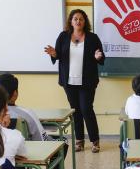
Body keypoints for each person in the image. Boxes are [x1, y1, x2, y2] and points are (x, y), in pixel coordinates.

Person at [44, 9, 105, 153]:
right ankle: (79, 141)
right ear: (71, 21)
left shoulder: (92, 37)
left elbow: (101, 56)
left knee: (86, 109)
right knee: (75, 111)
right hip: (69, 81)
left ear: (85, 22)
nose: (78, 21)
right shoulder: (63, 36)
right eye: (75, 18)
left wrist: (98, 57)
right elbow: (58, 54)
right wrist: (54, 54)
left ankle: (95, 141)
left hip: (87, 81)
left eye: (81, 19)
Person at [0, 73, 66, 169]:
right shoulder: (25, 113)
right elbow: (41, 139)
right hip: (23, 153)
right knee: (62, 141)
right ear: (15, 94)